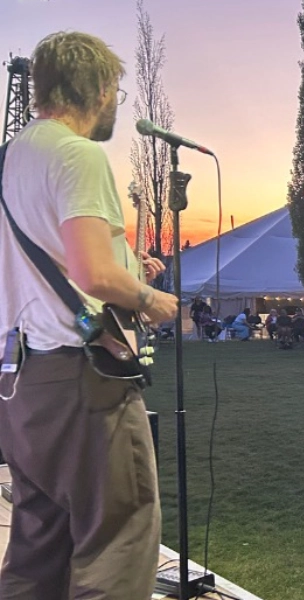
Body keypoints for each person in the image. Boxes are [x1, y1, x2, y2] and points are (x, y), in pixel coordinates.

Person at [0, 31, 181, 599]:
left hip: (20, 381)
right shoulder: (77, 153)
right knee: (119, 540)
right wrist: (152, 301)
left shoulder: (11, 157)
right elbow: (91, 274)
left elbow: (50, 262)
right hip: (81, 384)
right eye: (117, 93)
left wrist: (130, 266)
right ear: (100, 88)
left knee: (39, 545)